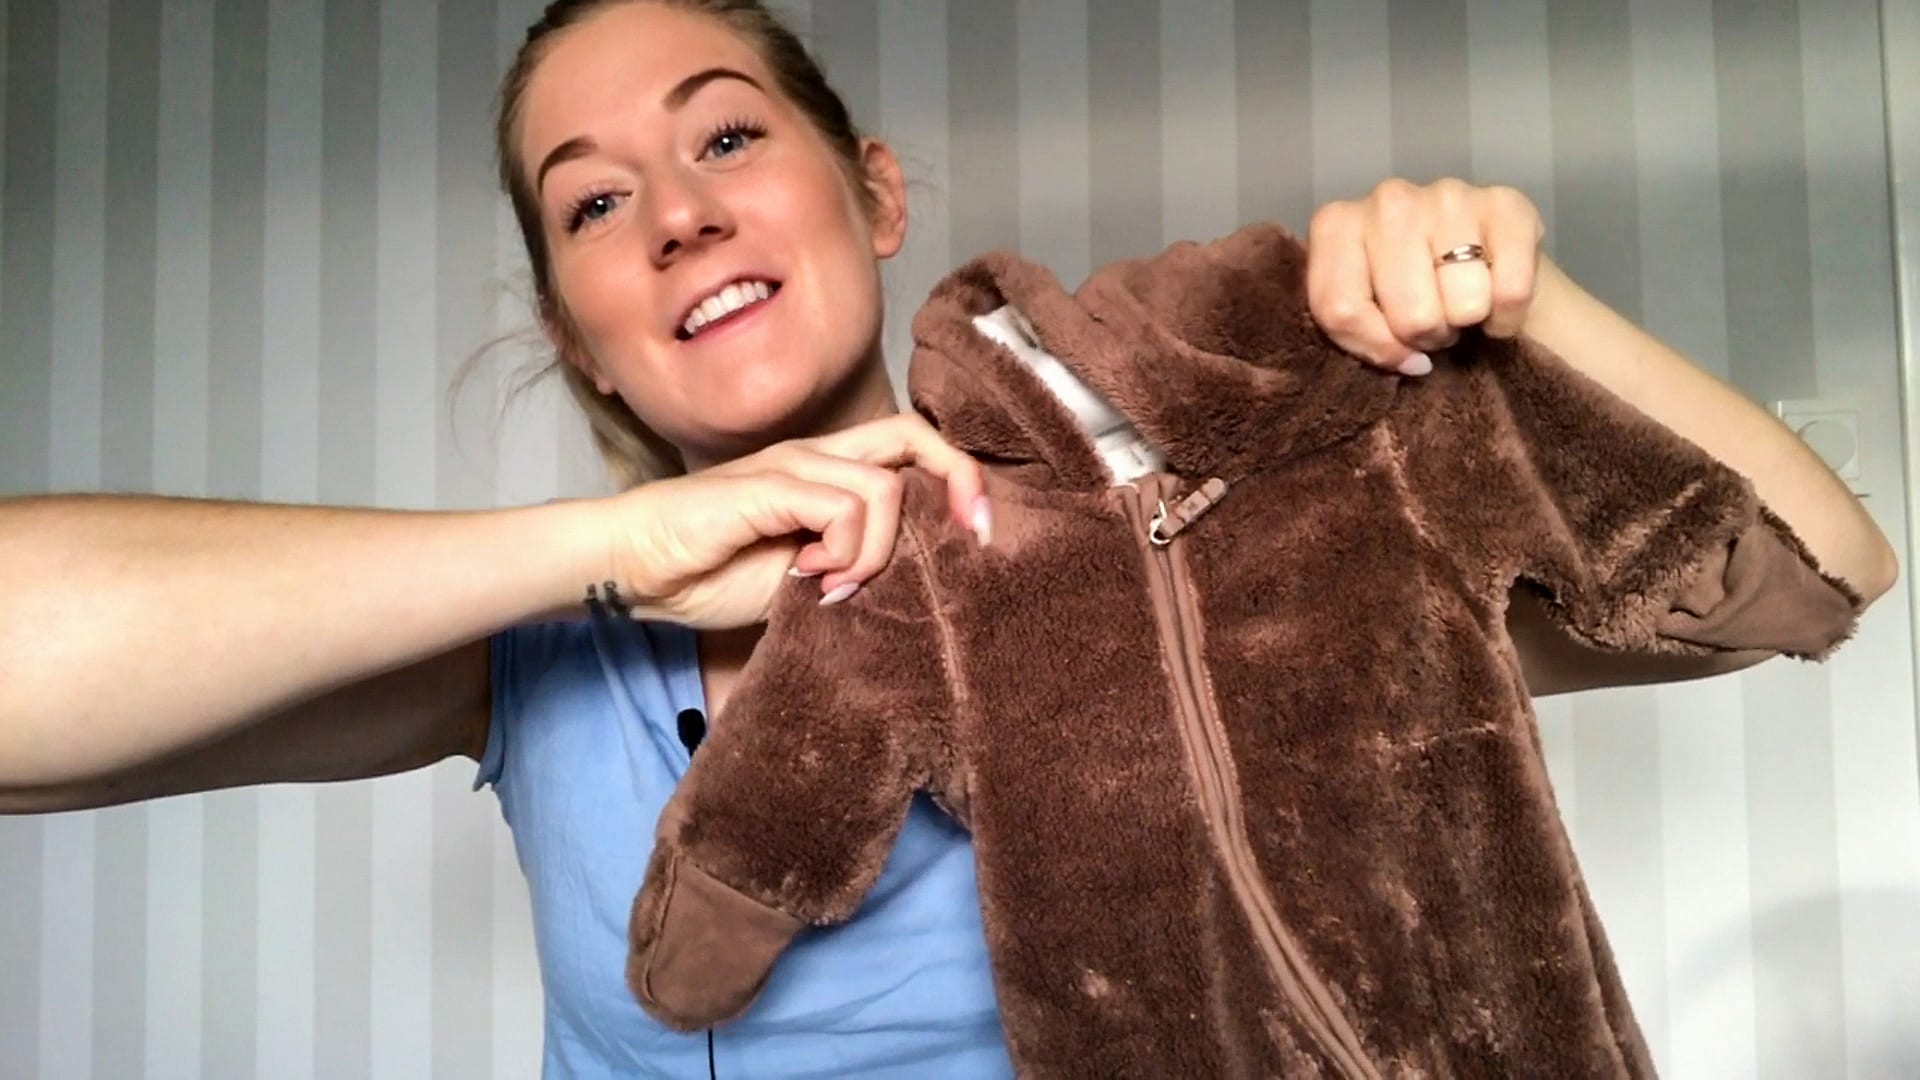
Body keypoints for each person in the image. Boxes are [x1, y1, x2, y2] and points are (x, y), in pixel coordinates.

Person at [0, 0, 1898, 1076]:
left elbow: (1821, 570)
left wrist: (1516, 296)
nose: (675, 215)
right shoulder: (537, 649)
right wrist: (601, 546)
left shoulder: (1198, 544)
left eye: (725, 139)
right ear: (575, 323)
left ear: (875, 193)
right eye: (591, 204)